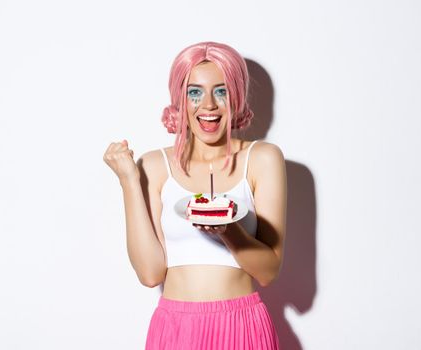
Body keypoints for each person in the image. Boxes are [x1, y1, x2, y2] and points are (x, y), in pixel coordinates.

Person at [103, 42, 287, 349]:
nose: (209, 105)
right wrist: (128, 180)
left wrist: (228, 231)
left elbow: (268, 272)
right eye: (194, 92)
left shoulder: (262, 159)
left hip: (241, 326)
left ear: (237, 96)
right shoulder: (153, 165)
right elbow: (150, 274)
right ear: (180, 100)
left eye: (222, 91)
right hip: (176, 329)